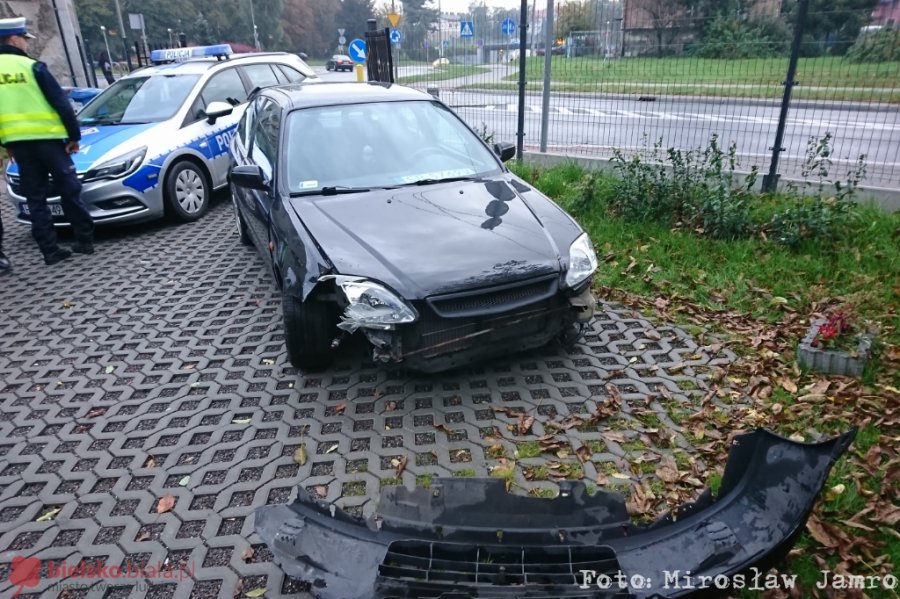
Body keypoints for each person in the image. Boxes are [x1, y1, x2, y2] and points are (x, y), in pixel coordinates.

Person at [0, 16, 94, 267]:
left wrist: (6, 143)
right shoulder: (32, 68)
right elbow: (62, 104)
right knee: (69, 189)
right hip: (50, 141)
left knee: (36, 198)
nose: (27, 44)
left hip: (19, 146)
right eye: (24, 39)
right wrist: (74, 136)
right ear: (13, 39)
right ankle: (84, 240)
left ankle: (50, 251)